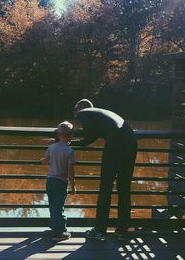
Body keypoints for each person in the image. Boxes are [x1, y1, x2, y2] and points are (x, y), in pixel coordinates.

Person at [71, 99, 137, 241]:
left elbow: (88, 136)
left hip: (115, 143)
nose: (77, 116)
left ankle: (100, 230)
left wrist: (66, 142)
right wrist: (73, 143)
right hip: (131, 141)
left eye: (76, 111)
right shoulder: (100, 114)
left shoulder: (83, 113)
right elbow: (92, 135)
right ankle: (122, 231)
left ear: (80, 107)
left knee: (105, 188)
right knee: (124, 188)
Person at [41, 121, 76, 241]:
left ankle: (54, 226)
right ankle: (59, 233)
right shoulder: (69, 151)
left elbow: (44, 161)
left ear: (58, 134)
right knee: (59, 206)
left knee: (52, 205)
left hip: (50, 180)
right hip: (61, 182)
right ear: (71, 136)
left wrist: (50, 160)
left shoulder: (51, 147)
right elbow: (70, 171)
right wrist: (73, 185)